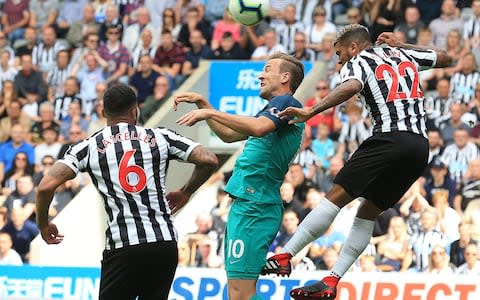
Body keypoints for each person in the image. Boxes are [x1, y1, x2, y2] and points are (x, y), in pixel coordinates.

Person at [262, 25, 452, 299]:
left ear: (353, 47)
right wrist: (403, 45)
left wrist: (312, 110)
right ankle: (331, 279)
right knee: (367, 213)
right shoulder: (402, 54)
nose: (339, 61)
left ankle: (286, 255)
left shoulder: (359, 61)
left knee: (334, 198)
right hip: (419, 147)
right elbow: (445, 57)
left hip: (389, 137)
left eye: (340, 54)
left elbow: (352, 86)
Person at [35, 83, 218, 299]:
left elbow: (45, 186)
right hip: (163, 242)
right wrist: (186, 192)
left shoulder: (88, 147)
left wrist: (43, 224)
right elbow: (209, 159)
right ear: (135, 111)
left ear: (103, 113)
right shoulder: (160, 136)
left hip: (123, 244)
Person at [173, 52, 305, 300]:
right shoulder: (272, 111)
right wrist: (205, 104)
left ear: (285, 77)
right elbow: (228, 135)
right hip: (250, 204)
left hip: (255, 206)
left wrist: (210, 114)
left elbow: (257, 128)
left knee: (240, 294)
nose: (260, 75)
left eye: (267, 69)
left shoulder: (287, 104)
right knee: (239, 291)